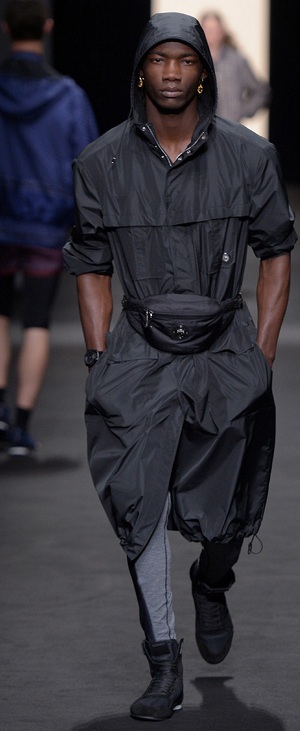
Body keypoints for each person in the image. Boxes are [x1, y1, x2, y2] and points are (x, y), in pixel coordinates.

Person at [63, 12, 295, 721]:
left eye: (185, 60)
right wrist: (99, 357)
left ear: (204, 73)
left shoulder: (250, 157)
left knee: (227, 511)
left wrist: (262, 357)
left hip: (223, 347)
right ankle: (163, 660)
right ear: (141, 70)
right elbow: (90, 262)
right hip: (137, 350)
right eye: (159, 59)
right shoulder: (100, 162)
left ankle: (212, 580)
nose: (171, 72)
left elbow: (277, 250)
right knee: (140, 504)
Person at [0, 0, 97, 456]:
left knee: (0, 314)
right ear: (48, 26)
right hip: (45, 224)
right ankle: (20, 425)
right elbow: (87, 164)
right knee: (37, 321)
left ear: (5, 28)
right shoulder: (69, 97)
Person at [199, 10, 269, 124]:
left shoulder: (236, 61)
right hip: (203, 127)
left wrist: (242, 111)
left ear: (222, 32)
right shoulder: (195, 61)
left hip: (230, 126)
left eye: (215, 29)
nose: (212, 34)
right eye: (208, 30)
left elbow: (260, 91)